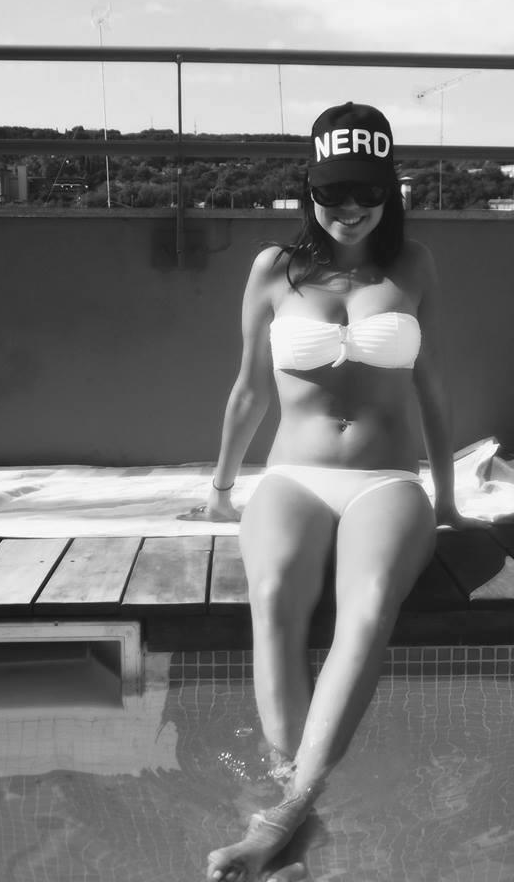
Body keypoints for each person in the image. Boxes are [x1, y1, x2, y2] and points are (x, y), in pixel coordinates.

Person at [204, 102, 484, 882]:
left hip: (384, 480)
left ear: (391, 190)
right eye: (333, 192)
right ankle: (291, 812)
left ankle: (281, 816)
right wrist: (221, 486)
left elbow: (431, 389)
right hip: (292, 475)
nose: (350, 208)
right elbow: (249, 390)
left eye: (367, 191)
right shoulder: (272, 269)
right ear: (310, 190)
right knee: (273, 596)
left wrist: (448, 497)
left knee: (368, 606)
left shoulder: (415, 265)